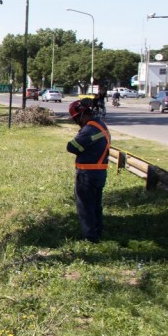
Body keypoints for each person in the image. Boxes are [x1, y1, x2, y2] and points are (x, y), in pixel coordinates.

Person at [66, 99, 111, 243]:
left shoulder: (89, 129)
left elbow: (72, 147)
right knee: (95, 205)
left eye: (76, 119)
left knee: (85, 206)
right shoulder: (100, 125)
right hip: (99, 173)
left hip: (87, 174)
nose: (77, 123)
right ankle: (97, 232)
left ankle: (90, 237)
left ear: (82, 114)